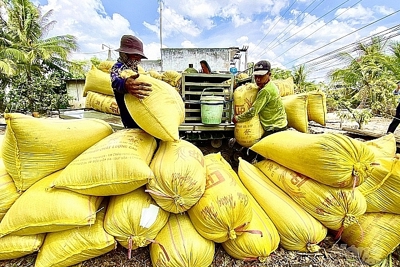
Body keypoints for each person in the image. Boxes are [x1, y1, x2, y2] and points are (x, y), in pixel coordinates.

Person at [232, 60, 288, 137]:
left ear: (269, 74)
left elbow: (253, 112)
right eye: (256, 76)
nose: (257, 79)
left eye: (261, 76)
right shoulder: (268, 85)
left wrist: (237, 118)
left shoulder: (266, 91)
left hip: (275, 128)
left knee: (257, 148)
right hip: (278, 124)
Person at [110, 35, 152, 128]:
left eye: (140, 57)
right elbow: (115, 82)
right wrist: (124, 84)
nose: (139, 60)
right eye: (136, 55)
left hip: (139, 112)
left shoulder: (134, 68)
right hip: (128, 116)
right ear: (124, 54)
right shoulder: (118, 67)